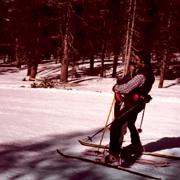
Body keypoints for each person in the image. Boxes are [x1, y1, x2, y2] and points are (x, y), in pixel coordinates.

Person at [105, 50, 155, 163]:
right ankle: (136, 145)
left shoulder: (142, 74)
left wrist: (115, 88)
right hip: (137, 103)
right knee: (131, 123)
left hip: (133, 104)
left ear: (143, 61)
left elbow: (127, 88)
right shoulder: (148, 72)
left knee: (116, 124)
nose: (135, 61)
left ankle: (113, 154)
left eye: (137, 60)